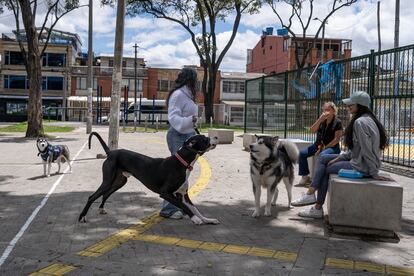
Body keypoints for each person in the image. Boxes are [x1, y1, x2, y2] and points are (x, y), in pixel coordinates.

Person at [291, 91, 391, 218]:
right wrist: (339, 157)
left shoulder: (360, 123)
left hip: (362, 165)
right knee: (323, 158)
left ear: (360, 105)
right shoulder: (368, 119)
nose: (348, 107)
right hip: (359, 160)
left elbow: (366, 150)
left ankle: (315, 204)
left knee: (325, 169)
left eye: (351, 104)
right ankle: (311, 196)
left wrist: (374, 172)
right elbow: (356, 149)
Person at [159, 67, 198, 219]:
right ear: (190, 79)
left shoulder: (187, 95)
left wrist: (192, 123)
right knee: (176, 174)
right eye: (194, 78)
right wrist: (190, 120)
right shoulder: (179, 95)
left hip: (187, 136)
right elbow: (173, 118)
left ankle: (177, 205)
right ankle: (168, 209)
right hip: (177, 136)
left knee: (183, 174)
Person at [298, 102, 343, 186]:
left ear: (333, 111)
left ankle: (317, 180)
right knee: (302, 153)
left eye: (328, 110)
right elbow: (312, 130)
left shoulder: (337, 122)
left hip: (331, 147)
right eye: (324, 110)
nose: (326, 112)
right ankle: (305, 176)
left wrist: (324, 148)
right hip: (318, 145)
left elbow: (336, 140)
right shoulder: (322, 121)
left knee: (322, 155)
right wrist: (319, 120)